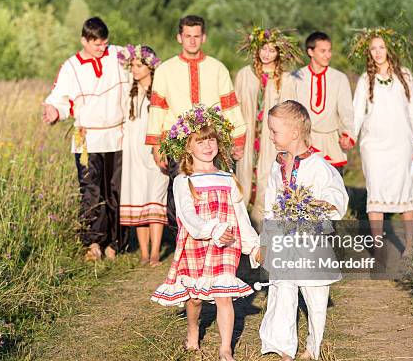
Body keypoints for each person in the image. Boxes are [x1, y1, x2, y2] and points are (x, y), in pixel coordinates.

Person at [151, 105, 260, 361]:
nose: (208, 145)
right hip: (197, 243)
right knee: (196, 299)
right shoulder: (183, 180)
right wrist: (212, 229)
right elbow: (188, 216)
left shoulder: (227, 178)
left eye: (211, 139)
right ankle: (192, 331)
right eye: (200, 141)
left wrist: (253, 245)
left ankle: (225, 349)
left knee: (224, 295)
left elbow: (240, 215)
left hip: (226, 245)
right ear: (188, 147)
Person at [257, 100, 348, 361]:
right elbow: (271, 204)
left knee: (315, 296)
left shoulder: (319, 166)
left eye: (275, 132)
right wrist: (267, 239)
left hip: (311, 242)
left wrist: (323, 206)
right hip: (284, 240)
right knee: (282, 290)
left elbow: (335, 195)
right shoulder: (277, 166)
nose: (271, 137)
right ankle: (284, 346)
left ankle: (313, 346)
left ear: (295, 133)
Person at [145, 15, 247, 228]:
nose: (192, 40)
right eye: (187, 36)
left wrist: (238, 139)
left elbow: (229, 105)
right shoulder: (166, 70)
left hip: (211, 141)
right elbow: (157, 108)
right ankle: (181, 241)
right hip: (178, 143)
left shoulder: (217, 68)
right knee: (180, 193)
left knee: (212, 190)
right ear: (179, 37)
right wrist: (156, 145)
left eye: (196, 36)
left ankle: (214, 238)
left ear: (204, 37)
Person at [42, 17, 128, 261]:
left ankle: (116, 242)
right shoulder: (70, 66)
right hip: (86, 137)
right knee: (91, 191)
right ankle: (93, 244)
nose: (102, 48)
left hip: (117, 135)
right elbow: (60, 97)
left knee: (116, 190)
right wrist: (53, 112)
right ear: (84, 40)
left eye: (104, 43)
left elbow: (145, 61)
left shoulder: (118, 55)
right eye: (96, 44)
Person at [351, 28, 413, 249]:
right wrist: (350, 137)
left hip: (401, 144)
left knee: (405, 192)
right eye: (373, 48)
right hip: (373, 145)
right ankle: (378, 248)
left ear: (389, 49)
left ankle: (409, 247)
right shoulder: (366, 79)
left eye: (381, 47)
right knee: (375, 192)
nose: (377, 52)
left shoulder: (405, 75)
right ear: (369, 53)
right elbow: (357, 112)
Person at [234, 27, 302, 229]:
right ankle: (240, 239)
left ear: (279, 53)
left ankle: (264, 239)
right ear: (256, 50)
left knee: (267, 186)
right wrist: (233, 141)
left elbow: (292, 114)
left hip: (272, 143)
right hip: (247, 143)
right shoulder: (245, 75)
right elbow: (234, 109)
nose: (266, 54)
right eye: (263, 49)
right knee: (242, 187)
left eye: (272, 50)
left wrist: (289, 148)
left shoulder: (286, 80)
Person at [117, 45, 168, 266]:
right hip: (133, 152)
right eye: (133, 66)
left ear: (150, 65)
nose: (135, 70)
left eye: (139, 65)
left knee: (156, 197)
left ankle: (156, 252)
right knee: (137, 196)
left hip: (155, 150)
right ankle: (144, 254)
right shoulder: (129, 92)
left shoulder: (160, 90)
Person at [292, 32, 355, 173]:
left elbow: (346, 112)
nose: (328, 55)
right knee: (304, 192)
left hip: (332, 144)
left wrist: (347, 135)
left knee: (332, 191)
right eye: (323, 51)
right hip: (304, 143)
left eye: (329, 50)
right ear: (310, 52)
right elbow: (291, 113)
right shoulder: (296, 78)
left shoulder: (339, 78)